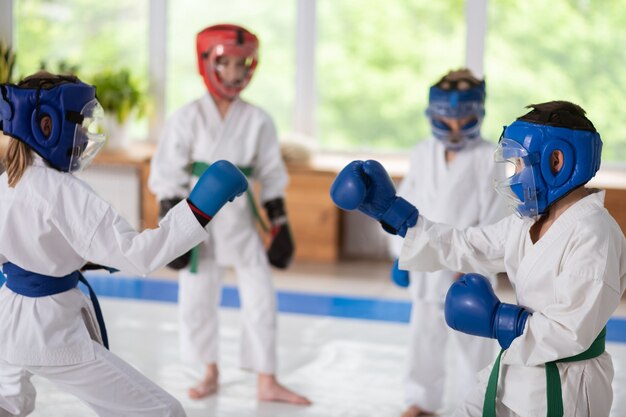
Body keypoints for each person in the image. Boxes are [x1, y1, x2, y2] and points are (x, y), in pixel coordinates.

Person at [331, 100, 625, 416]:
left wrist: (499, 319)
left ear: (557, 161)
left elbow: (572, 331)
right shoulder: (528, 220)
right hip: (520, 364)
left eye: (519, 164)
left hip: (567, 386)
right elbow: (469, 245)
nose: (514, 176)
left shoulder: (594, 232)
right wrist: (395, 213)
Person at [0, 71, 249, 416]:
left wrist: (75, 258)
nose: (87, 135)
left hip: (8, 318)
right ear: (47, 125)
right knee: (163, 412)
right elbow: (139, 256)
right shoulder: (63, 192)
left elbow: (26, 248)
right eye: (81, 124)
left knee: (8, 404)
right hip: (48, 331)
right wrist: (201, 207)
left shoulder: (7, 182)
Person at [148, 24, 310, 405]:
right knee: (197, 297)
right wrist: (170, 230)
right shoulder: (187, 118)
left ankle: (266, 378)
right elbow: (168, 177)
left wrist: (281, 226)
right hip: (196, 215)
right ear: (207, 63)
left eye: (242, 64)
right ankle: (209, 371)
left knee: (260, 297)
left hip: (241, 218)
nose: (235, 73)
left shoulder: (258, 120)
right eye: (227, 64)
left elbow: (270, 176)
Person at [388, 69, 507, 416]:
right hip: (425, 264)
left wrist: (469, 265)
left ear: (479, 113)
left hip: (467, 266)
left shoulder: (492, 156)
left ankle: (483, 405)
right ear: (432, 113)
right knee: (423, 336)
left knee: (474, 343)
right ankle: (420, 401)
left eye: (465, 119)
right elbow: (406, 202)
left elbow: (495, 218)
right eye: (446, 119)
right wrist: (399, 253)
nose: (455, 128)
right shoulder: (423, 152)